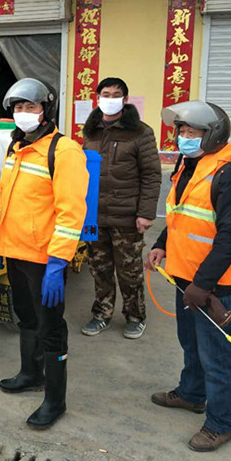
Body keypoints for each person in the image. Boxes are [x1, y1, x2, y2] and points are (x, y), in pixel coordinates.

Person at [145, 101, 231, 452]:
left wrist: (203, 285)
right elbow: (180, 214)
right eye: (181, 130)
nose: (183, 136)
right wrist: (161, 244)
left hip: (212, 285)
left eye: (192, 131)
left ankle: (220, 424)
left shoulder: (230, 176)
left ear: (213, 134)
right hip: (184, 275)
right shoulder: (189, 164)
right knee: (191, 343)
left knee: (218, 356)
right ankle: (192, 394)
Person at [0, 78, 89, 430]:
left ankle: (55, 401)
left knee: (50, 328)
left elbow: (71, 213)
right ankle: (30, 374)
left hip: (45, 260)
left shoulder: (65, 151)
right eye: (18, 107)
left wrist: (58, 263)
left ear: (47, 110)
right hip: (15, 252)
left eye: (29, 107)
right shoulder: (16, 147)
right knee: (26, 318)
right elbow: (7, 198)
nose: (23, 113)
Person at [81, 77, 161, 339]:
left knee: (129, 271)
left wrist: (146, 213)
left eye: (116, 95)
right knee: (99, 268)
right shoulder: (91, 131)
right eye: (105, 94)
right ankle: (101, 314)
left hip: (127, 216)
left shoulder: (140, 132)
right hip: (95, 215)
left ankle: (135, 316)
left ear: (125, 100)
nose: (110, 99)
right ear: (98, 98)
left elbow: (151, 175)